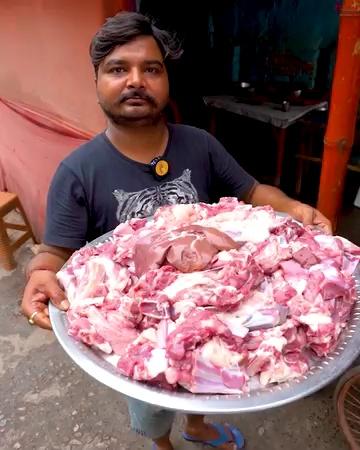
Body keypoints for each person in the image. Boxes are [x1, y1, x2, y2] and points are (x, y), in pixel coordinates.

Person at [21, 11, 332, 450]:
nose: (136, 80)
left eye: (151, 68)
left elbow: (252, 189)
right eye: (117, 69)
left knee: (205, 369)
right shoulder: (78, 172)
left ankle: (197, 425)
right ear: (96, 82)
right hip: (142, 324)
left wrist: (290, 206)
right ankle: (161, 443)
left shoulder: (198, 144)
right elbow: (56, 252)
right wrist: (39, 273)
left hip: (207, 303)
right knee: (151, 399)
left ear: (167, 80)